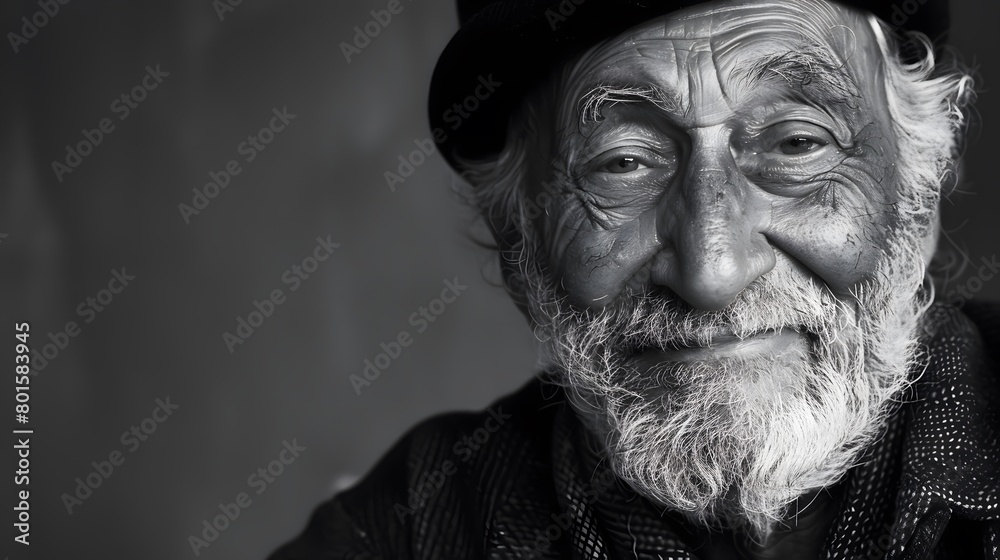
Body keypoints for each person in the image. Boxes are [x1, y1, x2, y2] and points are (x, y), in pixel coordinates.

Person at [270, 0, 999, 558]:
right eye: (624, 162)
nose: (712, 272)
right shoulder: (415, 526)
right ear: (518, 241)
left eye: (797, 144)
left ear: (917, 195)